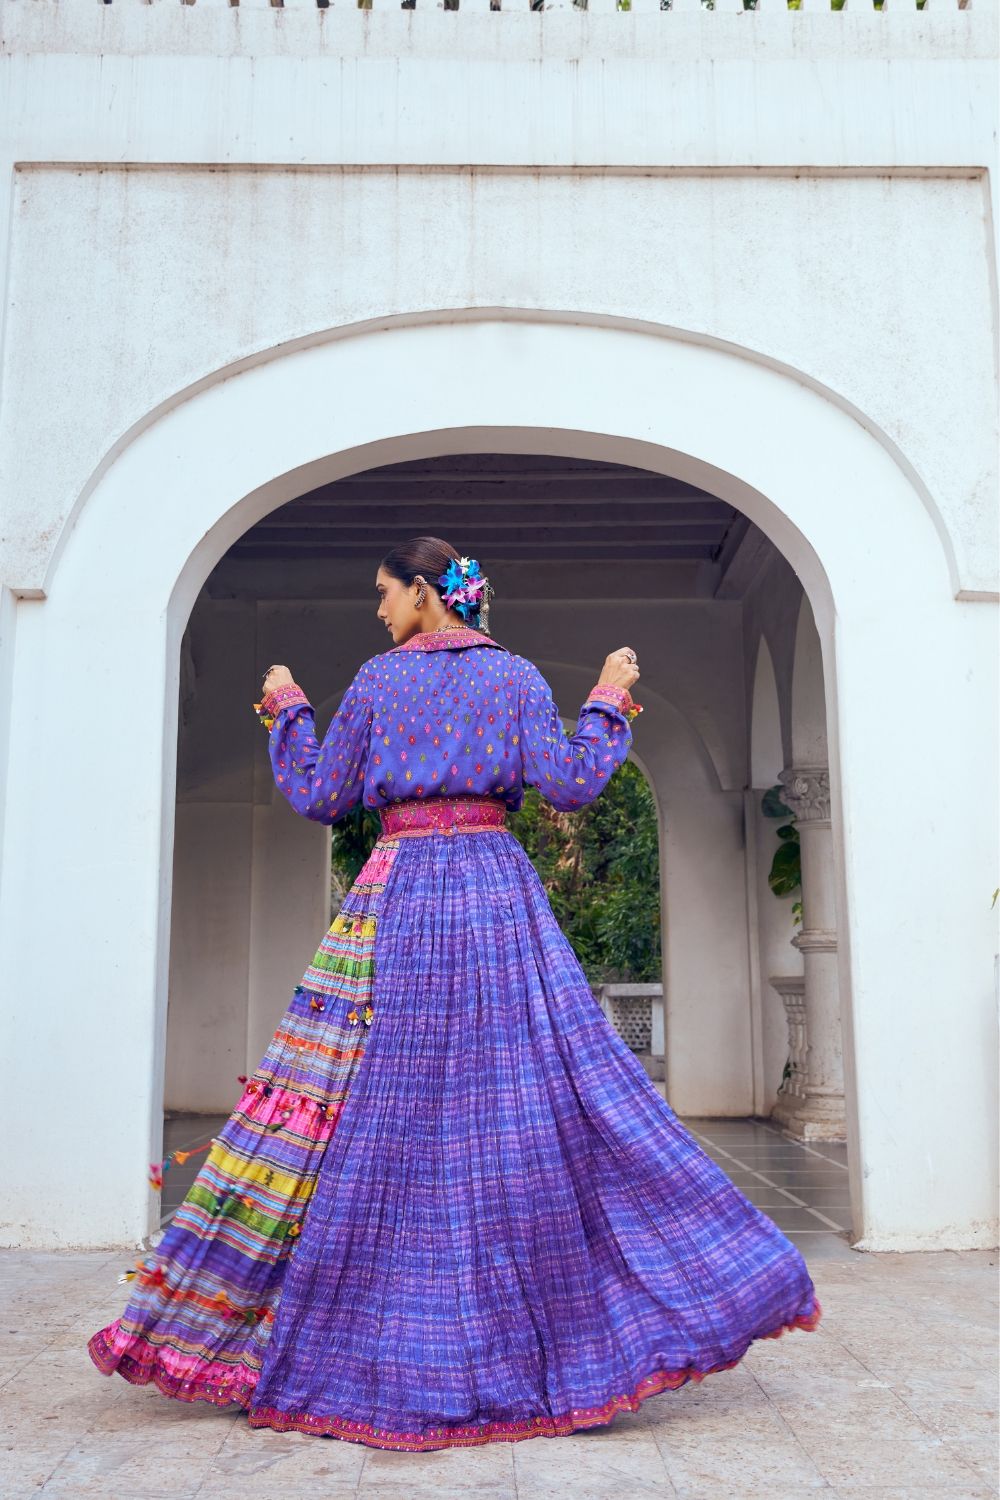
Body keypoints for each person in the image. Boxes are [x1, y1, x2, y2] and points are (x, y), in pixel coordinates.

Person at [88, 535, 821, 1452]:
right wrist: (605, 692)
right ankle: (614, 1321)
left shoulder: (376, 681)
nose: (379, 608)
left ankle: (382, 1338)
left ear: (428, 593)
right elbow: (571, 782)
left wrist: (285, 707)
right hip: (495, 901)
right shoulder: (513, 678)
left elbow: (320, 794)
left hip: (395, 901)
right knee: (534, 1108)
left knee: (378, 1114)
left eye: (386, 592)